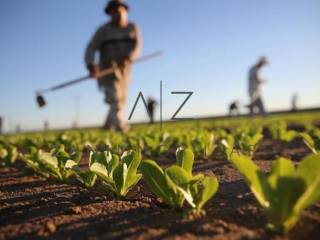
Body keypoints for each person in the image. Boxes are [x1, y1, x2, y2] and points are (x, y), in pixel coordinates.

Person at [85, 0, 142, 132]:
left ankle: (106, 126)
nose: (117, 14)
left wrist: (129, 57)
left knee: (121, 99)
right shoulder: (103, 31)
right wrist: (91, 64)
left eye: (119, 10)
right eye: (113, 11)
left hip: (124, 71)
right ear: (110, 13)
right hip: (107, 70)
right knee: (115, 97)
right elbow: (90, 48)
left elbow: (137, 46)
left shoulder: (132, 28)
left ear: (125, 11)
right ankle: (120, 126)